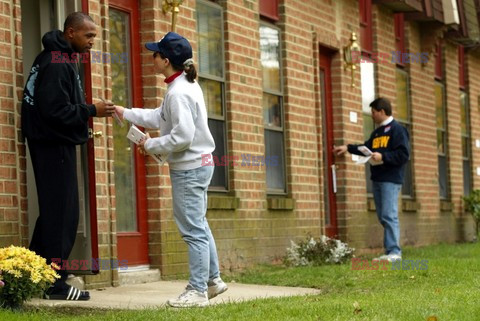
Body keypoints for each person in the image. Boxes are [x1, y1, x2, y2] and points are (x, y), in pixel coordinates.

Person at [115, 32, 227, 308]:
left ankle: (197, 290)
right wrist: (126, 112)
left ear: (165, 60)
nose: (151, 57)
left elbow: (182, 136)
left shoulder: (178, 92)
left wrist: (151, 144)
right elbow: (159, 117)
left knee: (192, 230)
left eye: (155, 53)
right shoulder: (184, 85)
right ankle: (213, 281)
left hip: (189, 169)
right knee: (199, 225)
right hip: (199, 165)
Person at [22, 12, 115, 300]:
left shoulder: (59, 58)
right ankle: (55, 284)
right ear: (71, 32)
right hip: (52, 145)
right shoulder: (55, 62)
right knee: (62, 217)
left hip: (53, 144)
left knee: (55, 214)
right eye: (88, 36)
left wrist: (87, 106)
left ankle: (31, 274)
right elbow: (54, 111)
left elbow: (58, 104)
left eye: (94, 37)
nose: (92, 42)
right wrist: (91, 111)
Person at [333, 97, 410, 262]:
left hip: (391, 179)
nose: (372, 116)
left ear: (382, 112)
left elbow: (404, 154)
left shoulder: (398, 130)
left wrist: (383, 156)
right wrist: (348, 148)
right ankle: (390, 251)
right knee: (383, 215)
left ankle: (394, 252)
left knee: (389, 215)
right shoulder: (376, 133)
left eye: (373, 113)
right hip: (377, 178)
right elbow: (366, 149)